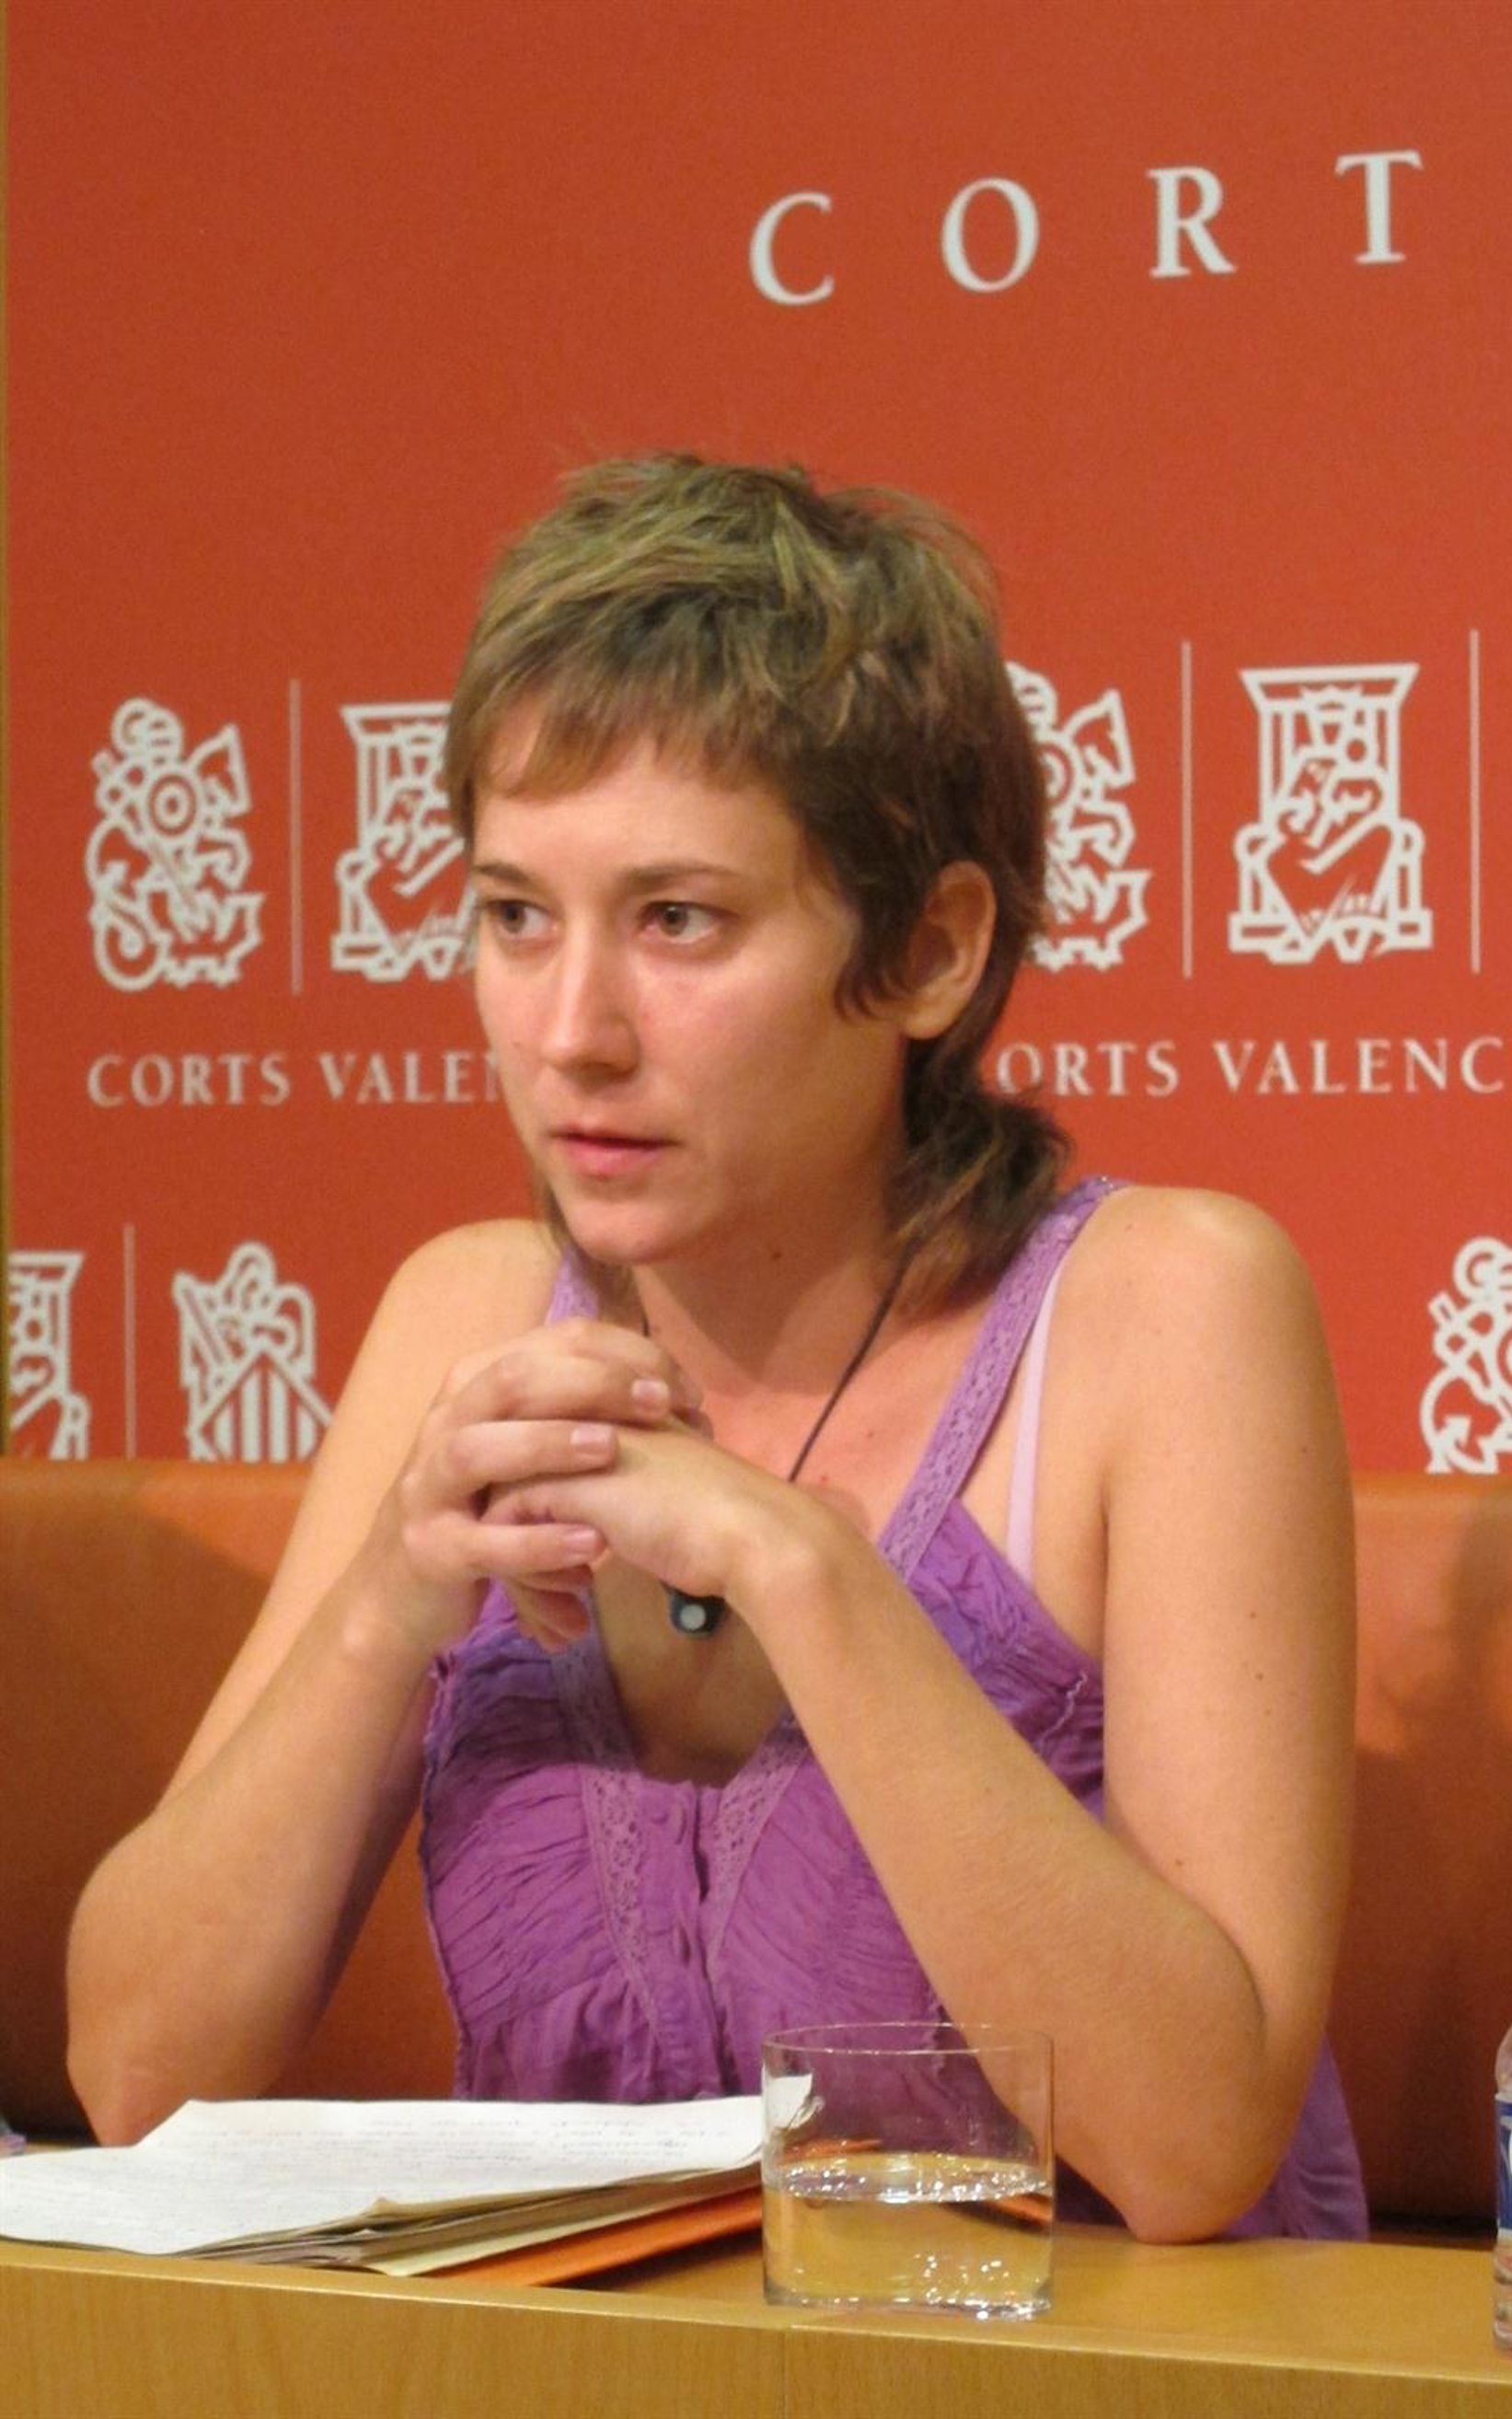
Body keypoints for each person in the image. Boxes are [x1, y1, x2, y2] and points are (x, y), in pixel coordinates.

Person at [66, 456, 1364, 2241]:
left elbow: (1195, 2145)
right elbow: (134, 2077)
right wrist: (388, 1605)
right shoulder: (468, 1315)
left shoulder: (1164, 1310)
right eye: (517, 916)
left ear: (929, 952)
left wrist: (798, 1568)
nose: (572, 1033)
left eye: (679, 921)